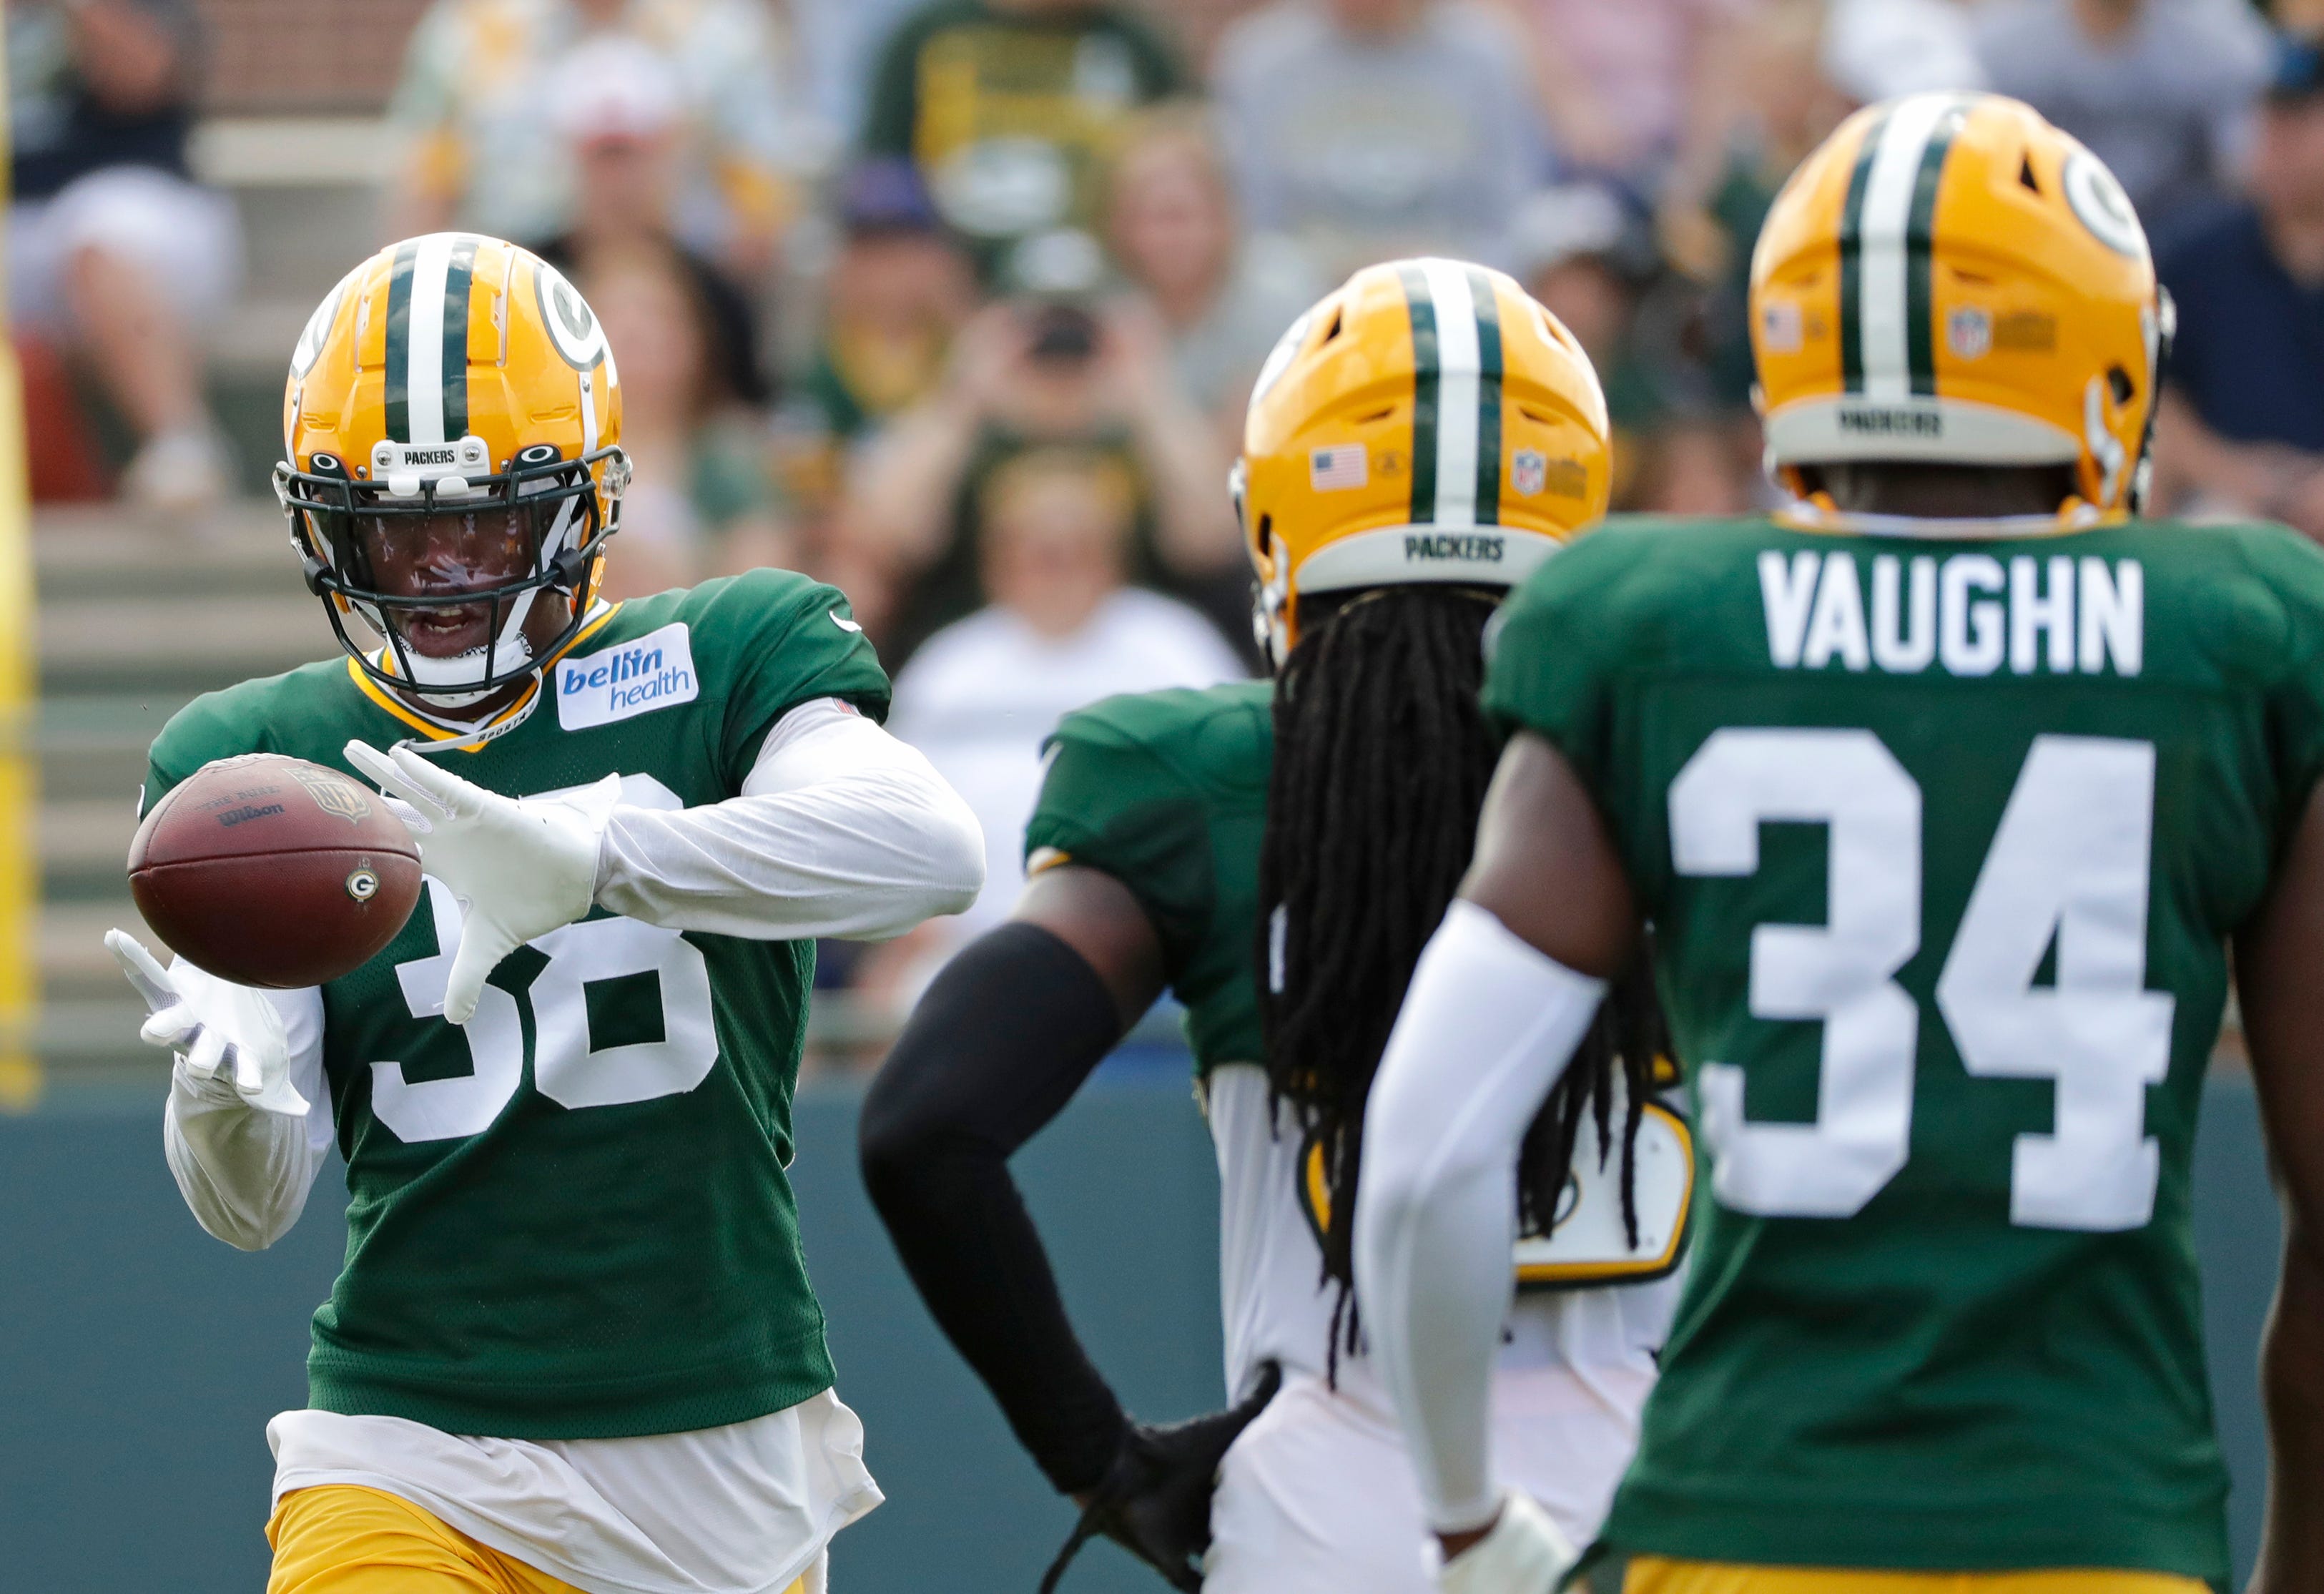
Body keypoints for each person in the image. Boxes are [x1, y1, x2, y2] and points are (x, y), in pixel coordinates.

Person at [1354, 92, 2324, 1594]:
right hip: (2092, 1533)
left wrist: (1468, 1514)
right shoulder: (2238, 630)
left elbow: (1421, 1160)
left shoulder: (1658, 624)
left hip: (1741, 1526)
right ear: (2103, 355)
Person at [104, 234, 985, 1594]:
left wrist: (595, 859)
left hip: (720, 1451)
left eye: (487, 520)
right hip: (409, 1438)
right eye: (398, 527)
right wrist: (222, 1093)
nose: (444, 571)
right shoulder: (257, 766)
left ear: (582, 504)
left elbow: (927, 848)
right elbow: (248, 1208)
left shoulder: (724, 649)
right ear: (325, 521)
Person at [860, 260, 1686, 1594]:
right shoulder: (1692, 753)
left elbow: (922, 1126)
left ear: (1279, 523)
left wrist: (1098, 1455)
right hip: (1664, 1509)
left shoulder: (1198, 777)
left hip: (1332, 1518)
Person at [881, 448, 1244, 968]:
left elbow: (1234, 793)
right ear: (997, 560)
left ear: (1114, 555)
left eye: (1077, 547)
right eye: (1038, 548)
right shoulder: (949, 668)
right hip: (969, 947)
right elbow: (891, 821)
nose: (1057, 565)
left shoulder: (1176, 647)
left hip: (1156, 942)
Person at [837, 230, 1244, 659]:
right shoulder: (968, 433)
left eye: (1079, 324)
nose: (1059, 344)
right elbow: (884, 539)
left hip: (1129, 657)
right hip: (978, 664)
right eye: (1039, 326)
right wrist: (964, 398)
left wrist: (1150, 396)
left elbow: (1213, 540)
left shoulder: (1140, 431)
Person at [536, 35, 787, 598]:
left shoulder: (719, 291)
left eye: (632, 153)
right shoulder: (521, 279)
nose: (618, 178)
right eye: (603, 156)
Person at [7, 0, 240, 512]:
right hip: (17, 221)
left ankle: (182, 446)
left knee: (98, 233)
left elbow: (143, 74)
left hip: (141, 199)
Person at [387, 0, 796, 280]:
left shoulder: (722, 30)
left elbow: (762, 221)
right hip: (508, 305)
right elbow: (420, 208)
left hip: (686, 304)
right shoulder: (473, 27)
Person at [1213, 0, 1550, 280]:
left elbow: (1513, 214)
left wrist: (1434, 267)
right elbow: (1251, 223)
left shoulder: (1485, 57)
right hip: (1305, 296)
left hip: (1456, 288)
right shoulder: (1261, 61)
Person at [859, 0, 1186, 270]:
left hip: (1111, 290)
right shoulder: (928, 37)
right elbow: (882, 185)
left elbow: (1183, 180)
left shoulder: (1137, 48)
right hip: (954, 282)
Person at [2155, 33, 2324, 540]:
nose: (2276, 140)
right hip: (2230, 514)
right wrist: (2230, 471)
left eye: (2299, 123)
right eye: (2270, 120)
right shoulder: (2197, 257)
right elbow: (2151, 395)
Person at [1098, 104, 1324, 446]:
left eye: (1179, 216)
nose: (1164, 238)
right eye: (1142, 217)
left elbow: (1235, 471)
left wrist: (1146, 394)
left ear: (1224, 217)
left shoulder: (1277, 296)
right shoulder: (1096, 294)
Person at [1975, 0, 2270, 237]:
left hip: (2172, 249)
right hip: (2043, 233)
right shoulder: (2004, 41)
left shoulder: (2215, 41)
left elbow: (2245, 172)